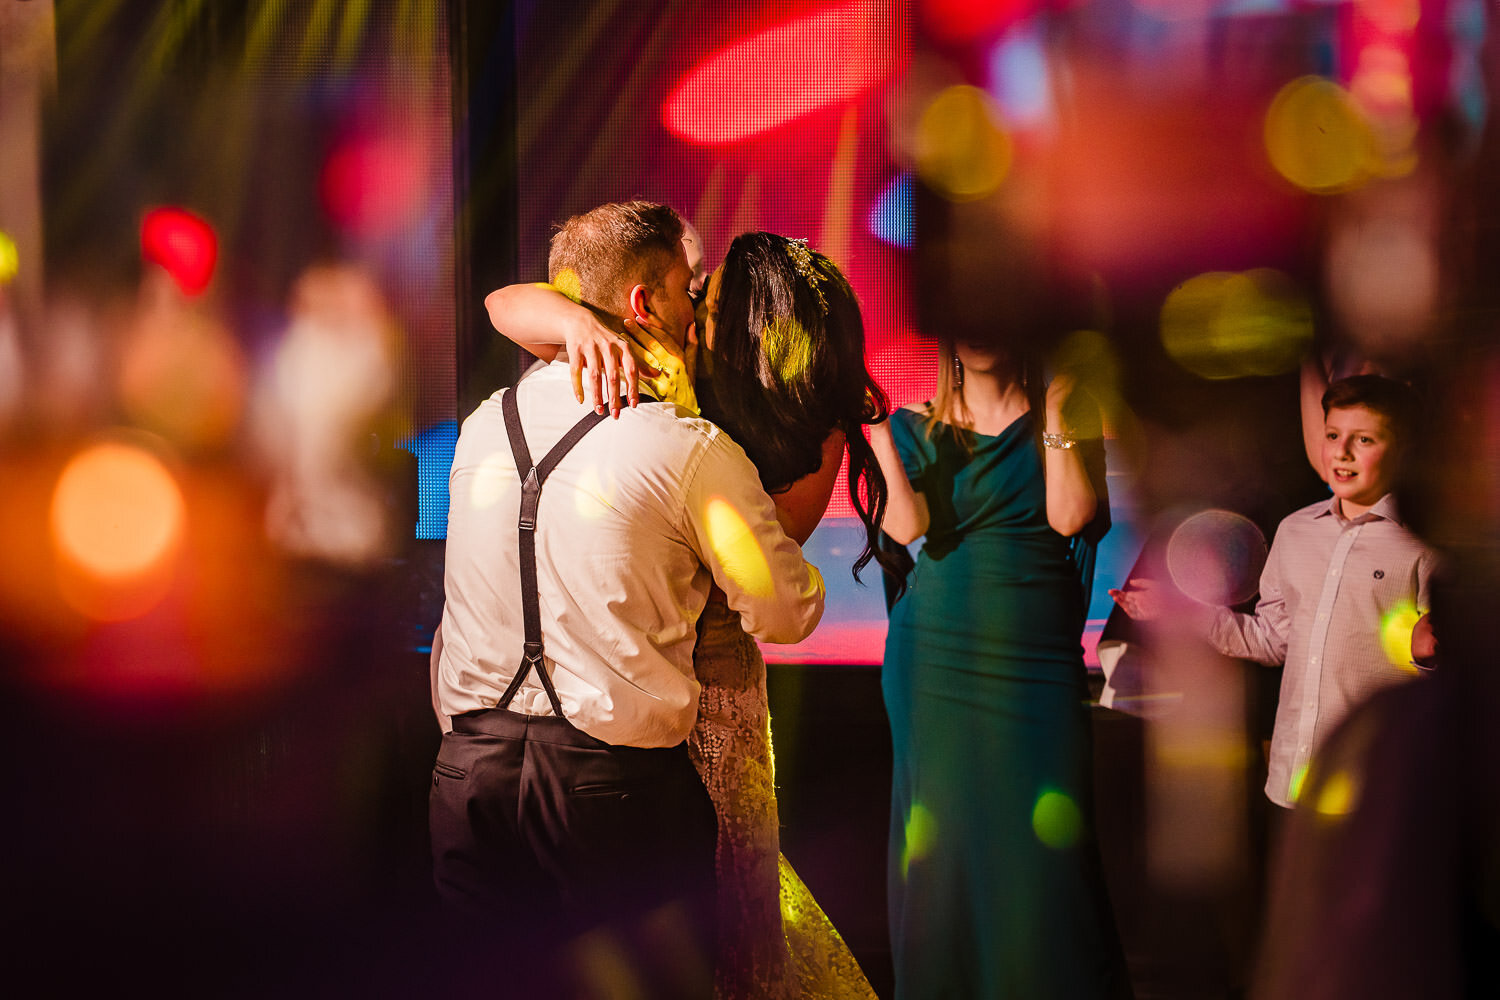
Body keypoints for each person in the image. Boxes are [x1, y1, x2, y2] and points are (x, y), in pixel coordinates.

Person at [429, 202, 827, 997]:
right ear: (644, 304)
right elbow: (786, 614)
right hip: (610, 795)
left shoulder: (479, 427)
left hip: (465, 781)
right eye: (686, 289)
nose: (694, 310)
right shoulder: (686, 450)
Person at [869, 335, 1130, 999]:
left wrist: (1057, 413)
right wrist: (874, 435)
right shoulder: (908, 423)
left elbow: (1071, 515)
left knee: (1050, 856)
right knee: (946, 860)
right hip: (936, 656)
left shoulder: (1064, 412)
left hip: (1035, 659)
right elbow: (904, 529)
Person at [1111, 374, 1437, 814]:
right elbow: (1273, 639)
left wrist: (1427, 655)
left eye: (1363, 439)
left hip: (1375, 781)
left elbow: (1443, 675)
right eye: (1333, 435)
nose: (1341, 452)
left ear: (1401, 450)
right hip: (1294, 778)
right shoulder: (1295, 530)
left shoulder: (1421, 545)